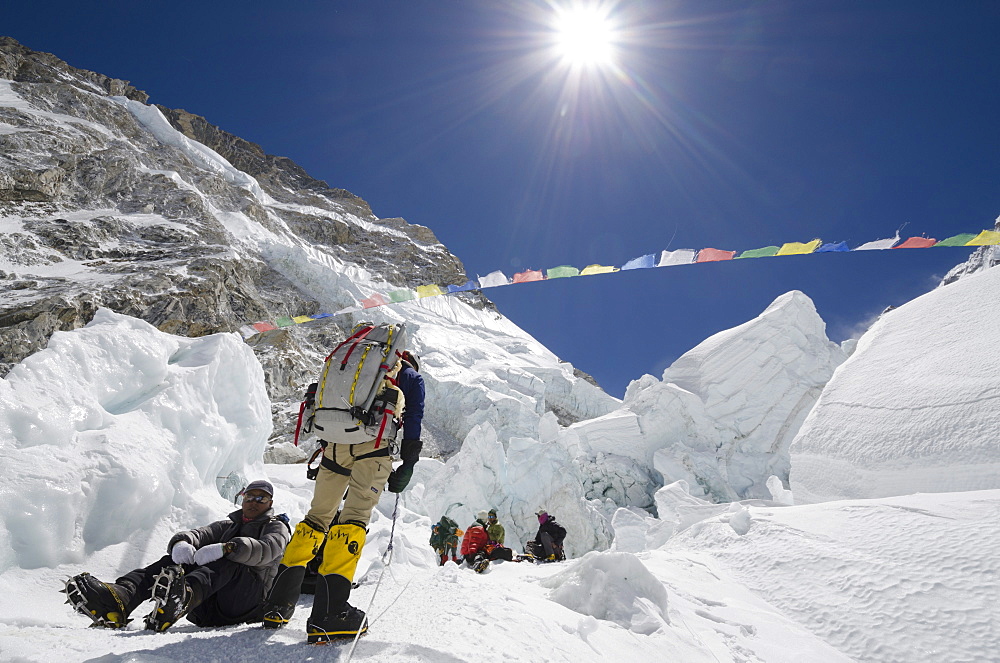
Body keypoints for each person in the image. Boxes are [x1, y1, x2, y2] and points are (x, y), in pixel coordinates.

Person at [262, 349, 425, 643]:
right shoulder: (409, 375)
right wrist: (409, 462)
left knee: (316, 519)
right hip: (372, 448)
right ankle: (330, 613)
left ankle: (277, 605)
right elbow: (413, 416)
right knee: (353, 519)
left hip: (334, 446)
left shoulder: (353, 363)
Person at [64, 480, 291, 632]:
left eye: (261, 498)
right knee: (176, 559)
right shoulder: (227, 526)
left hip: (247, 606)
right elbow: (199, 534)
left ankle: (182, 597)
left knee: (230, 563)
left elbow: (267, 550)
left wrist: (229, 548)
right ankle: (122, 599)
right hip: (206, 610)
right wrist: (182, 543)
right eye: (250, 497)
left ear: (270, 503)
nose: (253, 502)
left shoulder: (276, 527)